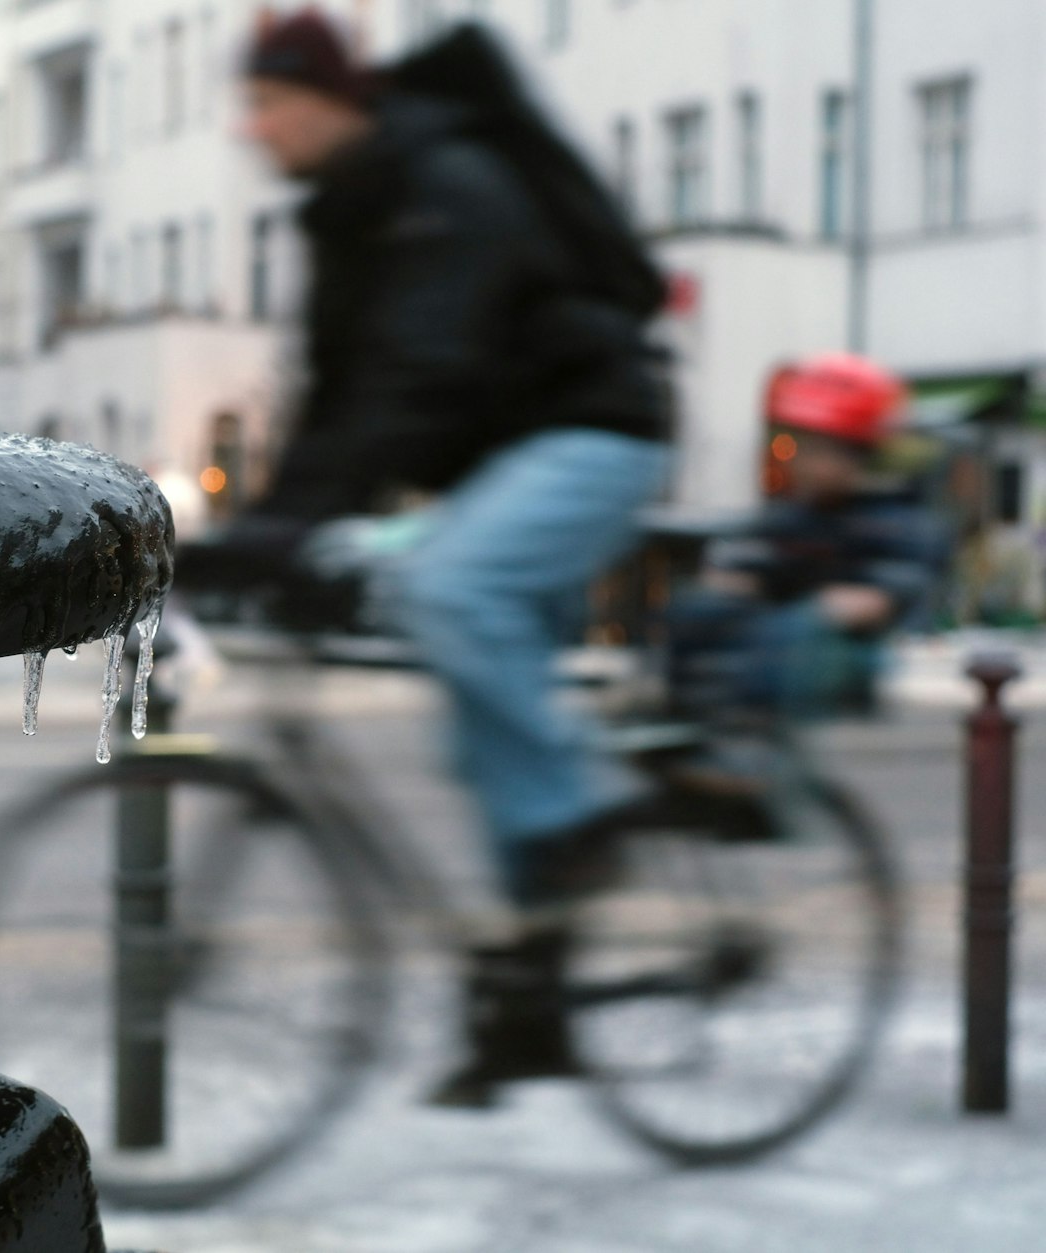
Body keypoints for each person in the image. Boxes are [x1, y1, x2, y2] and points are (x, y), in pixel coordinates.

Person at [226, 13, 675, 1105]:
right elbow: (335, 399)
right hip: (512, 456)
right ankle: (531, 1009)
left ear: (335, 101)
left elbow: (416, 374)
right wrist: (265, 532)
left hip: (596, 429)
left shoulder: (441, 181)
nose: (254, 128)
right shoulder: (353, 208)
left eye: (271, 103)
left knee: (451, 588)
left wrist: (291, 529)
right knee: (488, 746)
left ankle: (582, 827)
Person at [667, 354, 939, 719]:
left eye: (815, 449)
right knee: (699, 609)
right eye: (796, 445)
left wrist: (804, 609)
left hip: (861, 661)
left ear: (860, 455)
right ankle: (687, 722)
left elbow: (872, 603)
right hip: (786, 648)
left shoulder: (896, 521)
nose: (799, 461)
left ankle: (757, 734)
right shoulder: (794, 515)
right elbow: (737, 572)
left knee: (801, 630)